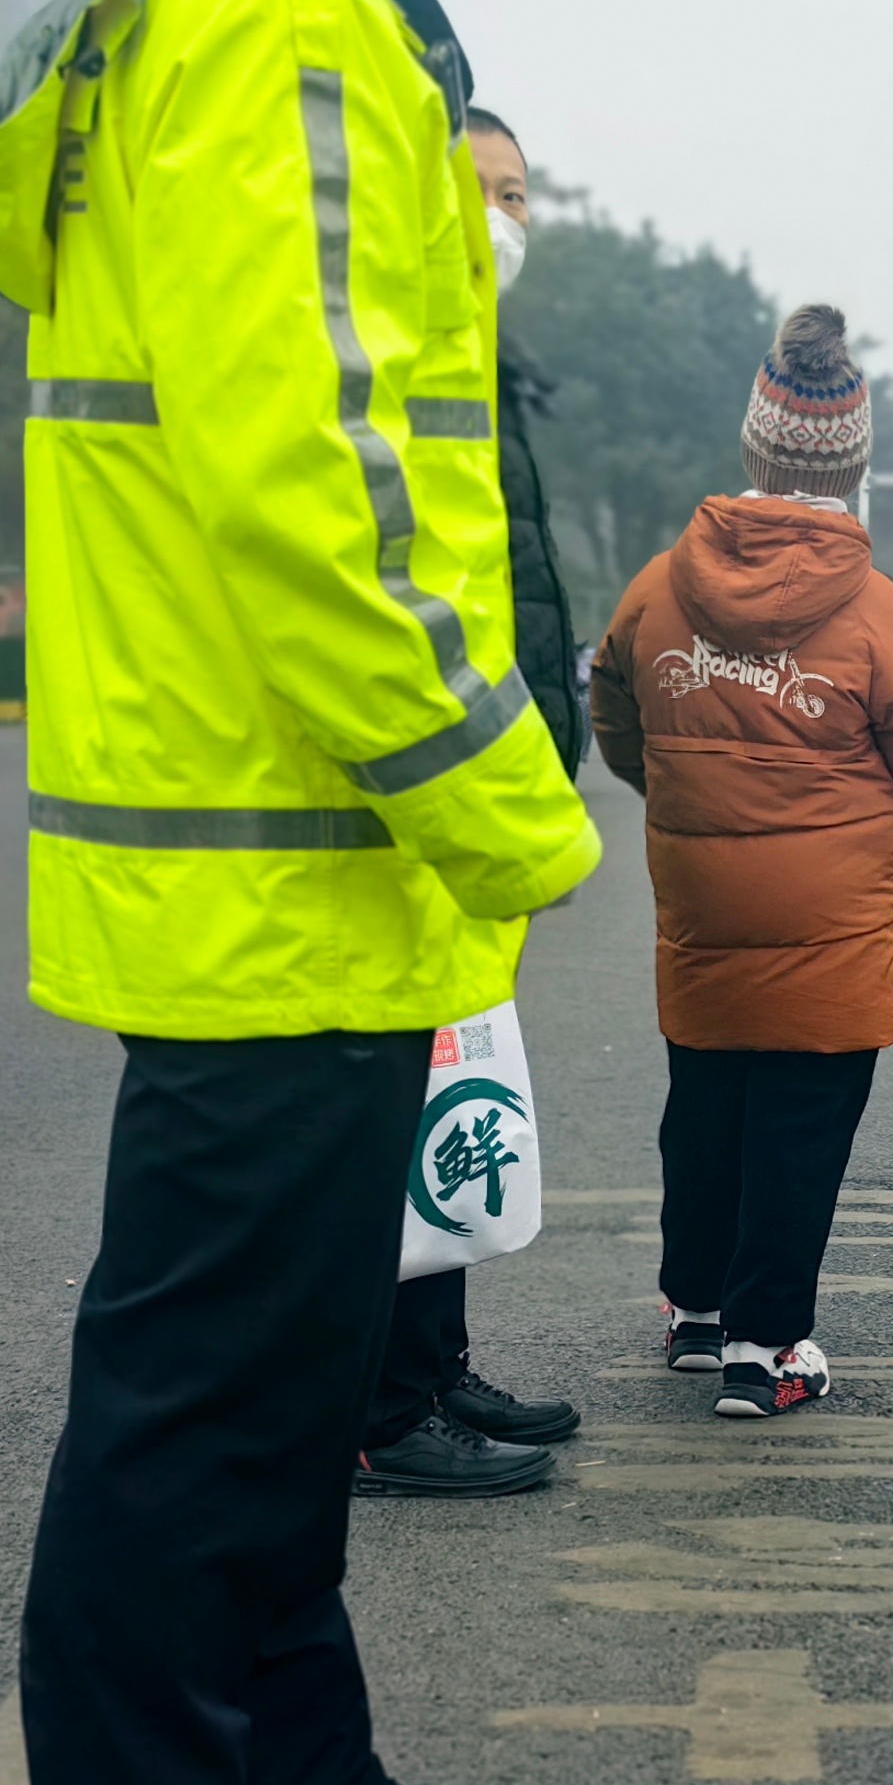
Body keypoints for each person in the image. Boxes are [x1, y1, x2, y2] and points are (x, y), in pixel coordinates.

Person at [0, 0, 598, 1785]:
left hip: (282, 848)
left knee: (290, 1377)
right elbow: (319, 478)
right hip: (286, 834)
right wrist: (499, 806)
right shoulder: (284, 20)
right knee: (195, 1416)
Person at [590, 306, 893, 1418]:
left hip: (700, 905)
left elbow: (615, 715)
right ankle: (767, 1349)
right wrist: (847, 814)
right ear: (850, 467)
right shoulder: (876, 609)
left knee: (702, 1106)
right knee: (799, 1124)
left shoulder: (659, 590)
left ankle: (695, 1313)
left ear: (755, 448)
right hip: (833, 920)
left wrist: (685, 795)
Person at [353, 106, 584, 1499]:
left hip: (490, 796)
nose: (506, 217)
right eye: (482, 189)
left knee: (460, 1091)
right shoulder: (407, 356)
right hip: (434, 809)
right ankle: (385, 1404)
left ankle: (435, 1367)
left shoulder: (488, 365)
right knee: (409, 1101)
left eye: (521, 194)